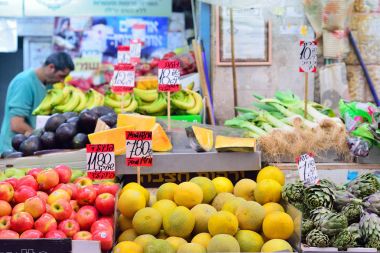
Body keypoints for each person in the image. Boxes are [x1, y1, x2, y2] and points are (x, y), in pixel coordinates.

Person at [0, 52, 74, 153]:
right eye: (61, 76)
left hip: (31, 146)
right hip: (12, 149)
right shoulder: (24, 82)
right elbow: (16, 124)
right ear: (51, 67)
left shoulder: (49, 85)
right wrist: (40, 136)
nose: (62, 81)